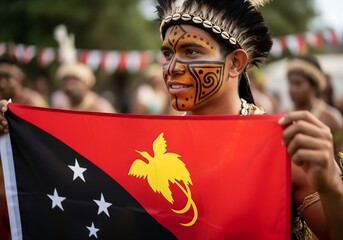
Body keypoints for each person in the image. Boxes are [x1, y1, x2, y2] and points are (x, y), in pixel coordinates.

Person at [0, 0, 342, 239]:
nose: (172, 68)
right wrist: (15, 136)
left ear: (236, 63)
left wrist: (330, 183)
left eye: (191, 52)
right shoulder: (150, 142)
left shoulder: (281, 145)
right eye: (167, 53)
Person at [0, 54, 48, 240]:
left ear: (20, 78)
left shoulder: (34, 103)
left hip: (26, 192)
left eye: (7, 77)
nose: (2, 83)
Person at [286, 55, 343, 162]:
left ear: (315, 85)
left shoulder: (332, 118)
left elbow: (340, 161)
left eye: (298, 83)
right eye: (290, 83)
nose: (292, 89)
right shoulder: (284, 116)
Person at [50, 62, 117, 113]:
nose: (69, 87)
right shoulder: (60, 106)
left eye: (74, 83)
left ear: (86, 84)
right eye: (65, 82)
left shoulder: (100, 106)